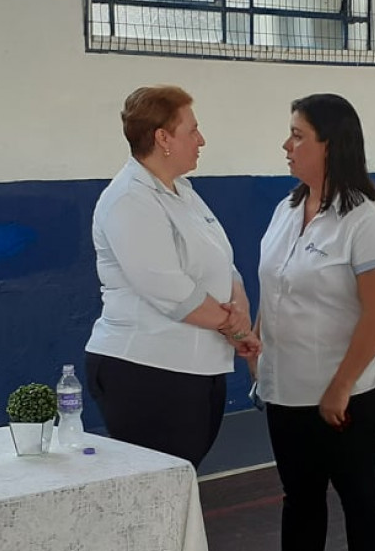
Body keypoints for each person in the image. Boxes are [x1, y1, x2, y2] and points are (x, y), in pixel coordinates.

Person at [249, 93, 375, 551]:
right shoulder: (286, 210)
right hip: (286, 385)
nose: (286, 145)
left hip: (351, 390)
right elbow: (275, 286)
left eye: (298, 136)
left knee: (358, 496)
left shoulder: (368, 222)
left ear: (330, 145)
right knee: (300, 498)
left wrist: (340, 386)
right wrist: (257, 346)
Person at [86, 85, 256, 468]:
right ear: (163, 138)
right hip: (148, 371)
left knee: (181, 479)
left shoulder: (183, 193)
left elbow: (223, 262)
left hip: (198, 368)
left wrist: (239, 308)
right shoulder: (129, 199)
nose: (201, 140)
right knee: (160, 484)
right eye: (192, 130)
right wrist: (236, 328)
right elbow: (170, 290)